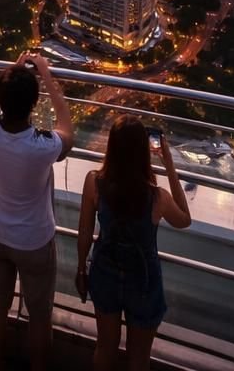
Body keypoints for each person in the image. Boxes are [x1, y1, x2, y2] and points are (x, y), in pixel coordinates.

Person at [0, 53, 73, 371]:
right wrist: (46, 76)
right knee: (40, 317)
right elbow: (67, 131)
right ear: (33, 104)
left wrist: (12, 72)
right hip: (33, 240)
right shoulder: (42, 147)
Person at [75, 117, 191, 371]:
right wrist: (170, 166)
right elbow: (185, 219)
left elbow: (84, 232)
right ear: (143, 152)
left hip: (104, 270)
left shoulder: (94, 182)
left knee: (105, 347)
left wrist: (81, 269)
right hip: (143, 280)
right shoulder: (156, 197)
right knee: (138, 359)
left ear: (112, 147)